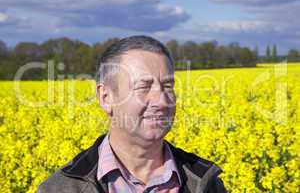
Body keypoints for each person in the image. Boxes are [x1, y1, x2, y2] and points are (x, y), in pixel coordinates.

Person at [37, 35, 227, 193]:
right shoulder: (61, 188)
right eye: (143, 87)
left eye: (168, 86)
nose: (162, 101)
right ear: (106, 98)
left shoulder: (207, 183)